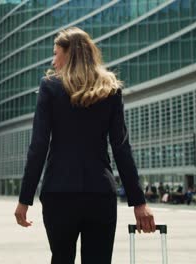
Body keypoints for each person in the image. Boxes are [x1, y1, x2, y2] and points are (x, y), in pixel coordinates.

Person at [14, 27, 155, 264]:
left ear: (70, 54)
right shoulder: (110, 89)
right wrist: (138, 202)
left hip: (59, 193)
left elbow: (38, 145)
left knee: (61, 259)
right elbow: (121, 147)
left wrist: (24, 199)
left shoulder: (50, 87)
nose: (53, 60)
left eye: (56, 53)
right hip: (99, 193)